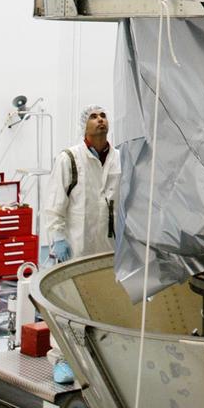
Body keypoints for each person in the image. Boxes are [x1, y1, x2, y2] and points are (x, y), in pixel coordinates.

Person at [43, 106, 121, 383]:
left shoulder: (118, 159)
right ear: (84, 125)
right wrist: (58, 239)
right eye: (94, 116)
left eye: (103, 115)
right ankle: (62, 359)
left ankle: (101, 359)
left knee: (104, 303)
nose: (100, 120)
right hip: (75, 247)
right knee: (68, 303)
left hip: (107, 247)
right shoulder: (70, 159)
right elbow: (54, 205)